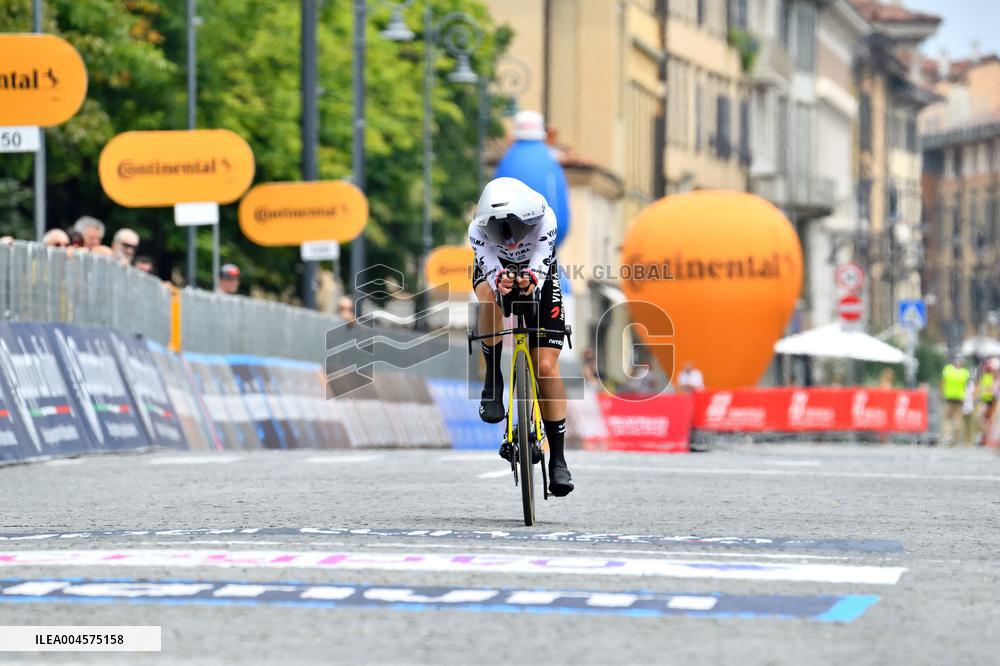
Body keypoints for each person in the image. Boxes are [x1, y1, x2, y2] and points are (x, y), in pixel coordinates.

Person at [470, 177, 572, 497]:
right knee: (488, 296)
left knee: (545, 366)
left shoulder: (547, 219)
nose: (510, 240)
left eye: (515, 228)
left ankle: (558, 459)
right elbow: (489, 268)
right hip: (495, 271)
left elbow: (539, 269)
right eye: (498, 230)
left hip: (538, 271)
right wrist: (500, 280)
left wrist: (530, 280)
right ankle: (493, 382)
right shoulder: (476, 231)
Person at [941, 358, 970, 446]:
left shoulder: (948, 370)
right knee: (958, 420)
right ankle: (956, 438)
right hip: (960, 398)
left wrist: (942, 393)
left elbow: (943, 382)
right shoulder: (965, 373)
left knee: (947, 418)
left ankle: (947, 436)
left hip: (949, 397)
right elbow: (967, 386)